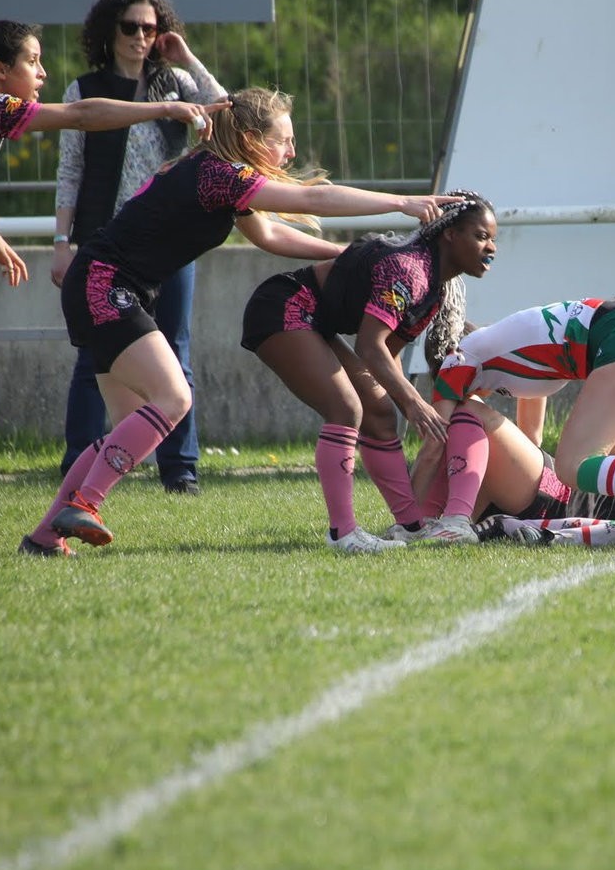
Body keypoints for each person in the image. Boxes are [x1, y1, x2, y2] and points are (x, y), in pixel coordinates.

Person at [0, 16, 224, 567]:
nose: (42, 73)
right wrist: (162, 109)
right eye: (32, 61)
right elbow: (80, 116)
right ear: (0, 71)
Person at [27, 88, 459, 554]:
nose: (290, 152)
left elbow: (270, 235)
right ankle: (86, 504)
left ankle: (45, 537)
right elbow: (315, 199)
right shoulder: (220, 174)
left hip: (104, 284)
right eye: (283, 140)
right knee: (174, 398)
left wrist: (346, 254)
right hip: (105, 284)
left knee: (132, 425)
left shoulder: (217, 174)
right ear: (252, 139)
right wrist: (400, 202)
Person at [240, 188, 494, 555]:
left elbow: (385, 354)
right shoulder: (409, 270)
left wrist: (404, 404)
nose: (491, 248)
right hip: (284, 305)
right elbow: (369, 346)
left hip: (315, 320)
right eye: (482, 236)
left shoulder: (433, 291)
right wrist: (414, 403)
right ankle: (343, 534)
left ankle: (410, 526)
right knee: (346, 409)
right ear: (450, 234)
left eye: (493, 239)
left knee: (378, 412)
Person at [53, 0, 226, 496]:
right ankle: (79, 461)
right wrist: (61, 242)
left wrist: (186, 57)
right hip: (106, 246)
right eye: (130, 26)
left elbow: (227, 110)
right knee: (95, 354)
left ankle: (180, 470)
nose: (140, 36)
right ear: (109, 31)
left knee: (176, 349)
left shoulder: (175, 83)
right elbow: (70, 169)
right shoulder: (85, 90)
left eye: (150, 27)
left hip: (170, 242)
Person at [416, 297, 615, 545]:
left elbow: (435, 444)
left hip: (555, 491)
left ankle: (450, 519)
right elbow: (534, 437)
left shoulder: (467, 362)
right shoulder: (510, 363)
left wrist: (407, 517)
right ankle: (441, 519)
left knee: (464, 418)